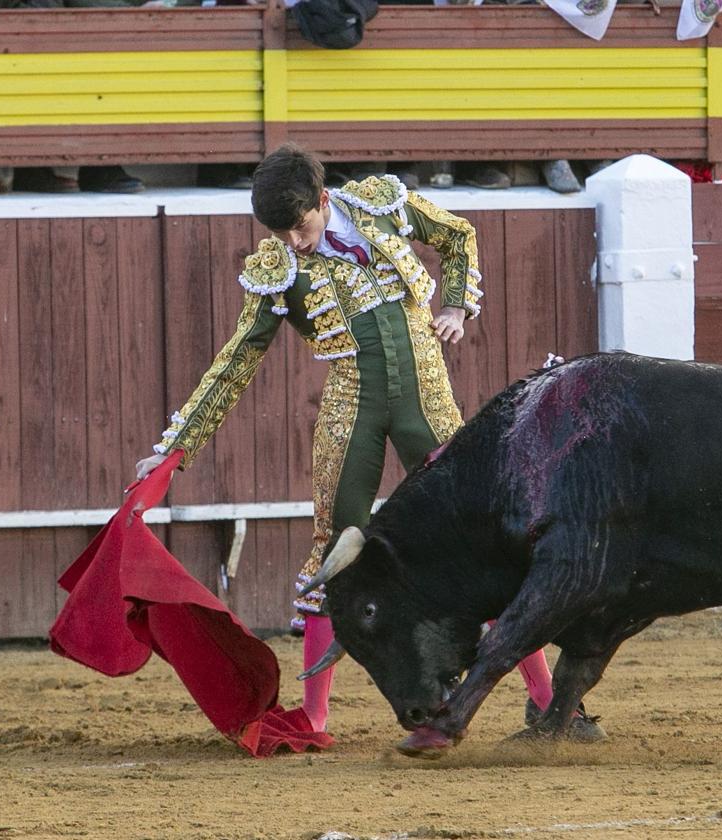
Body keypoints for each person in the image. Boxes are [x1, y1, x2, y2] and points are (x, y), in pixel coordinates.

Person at [133, 142, 604, 741]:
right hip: (351, 406)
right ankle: (315, 715)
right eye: (282, 233)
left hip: (426, 397)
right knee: (334, 551)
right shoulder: (277, 266)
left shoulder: (382, 205)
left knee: (482, 542)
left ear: (323, 201)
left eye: (300, 228)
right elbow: (236, 360)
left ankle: (548, 703)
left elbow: (459, 235)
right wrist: (178, 448)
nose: (294, 244)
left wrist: (457, 305)